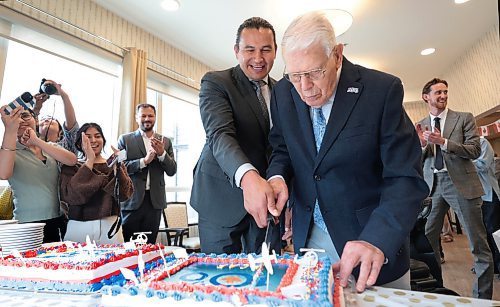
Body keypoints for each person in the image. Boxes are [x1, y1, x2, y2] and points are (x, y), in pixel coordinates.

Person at [249, 11, 429, 292]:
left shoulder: (382, 91)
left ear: (337, 55)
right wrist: (278, 178)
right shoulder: (284, 92)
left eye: (315, 72)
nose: (305, 88)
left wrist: (377, 239)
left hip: (370, 244)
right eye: (296, 75)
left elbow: (405, 178)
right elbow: (282, 148)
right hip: (309, 241)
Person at [190, 17, 280, 254]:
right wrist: (248, 178)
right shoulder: (217, 82)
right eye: (250, 49)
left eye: (265, 50)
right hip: (219, 198)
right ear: (237, 51)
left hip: (265, 204)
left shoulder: (284, 91)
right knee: (219, 280)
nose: (258, 58)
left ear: (275, 52)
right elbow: (219, 134)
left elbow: (285, 147)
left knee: (264, 277)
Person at [416, 78, 493, 299]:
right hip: (433, 188)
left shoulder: (463, 118)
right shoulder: (421, 124)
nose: (442, 96)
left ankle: (483, 299)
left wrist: (443, 142)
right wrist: (422, 145)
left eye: (445, 92)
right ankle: (436, 293)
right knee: (426, 243)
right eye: (438, 92)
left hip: (461, 184)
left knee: (478, 244)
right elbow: (418, 160)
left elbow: (474, 150)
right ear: (426, 97)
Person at [0, 104, 77, 242]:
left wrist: (36, 141)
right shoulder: (9, 150)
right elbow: (3, 174)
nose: (22, 120)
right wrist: (10, 130)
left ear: (35, 119)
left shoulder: (49, 147)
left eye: (25, 116)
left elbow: (72, 160)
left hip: (56, 220)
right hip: (26, 223)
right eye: (16, 117)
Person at [60, 123, 134, 244]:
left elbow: (125, 195)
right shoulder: (71, 166)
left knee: (115, 262)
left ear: (103, 140)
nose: (93, 140)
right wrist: (89, 161)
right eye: (88, 137)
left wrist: (118, 169)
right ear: (79, 143)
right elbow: (72, 196)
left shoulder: (113, 164)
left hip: (110, 224)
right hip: (79, 226)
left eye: (97, 136)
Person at [118, 103, 176, 244]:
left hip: (155, 202)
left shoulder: (166, 141)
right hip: (131, 200)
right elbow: (119, 168)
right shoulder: (124, 139)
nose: (147, 119)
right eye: (143, 115)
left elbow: (172, 170)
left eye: (150, 116)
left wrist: (162, 154)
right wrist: (144, 161)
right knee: (129, 245)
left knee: (149, 245)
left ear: (155, 118)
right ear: (136, 118)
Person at [473, 136, 500, 274]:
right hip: (471, 197)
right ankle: (489, 266)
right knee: (479, 234)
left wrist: (461, 165)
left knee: (494, 231)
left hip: (488, 195)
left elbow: (483, 165)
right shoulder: (459, 147)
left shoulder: (482, 142)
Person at [33, 79, 79, 154]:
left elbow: (72, 128)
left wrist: (64, 95)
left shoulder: (66, 146)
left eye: (51, 119)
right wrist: (36, 108)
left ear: (60, 131)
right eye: (43, 119)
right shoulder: (32, 144)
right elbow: (29, 125)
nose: (46, 120)